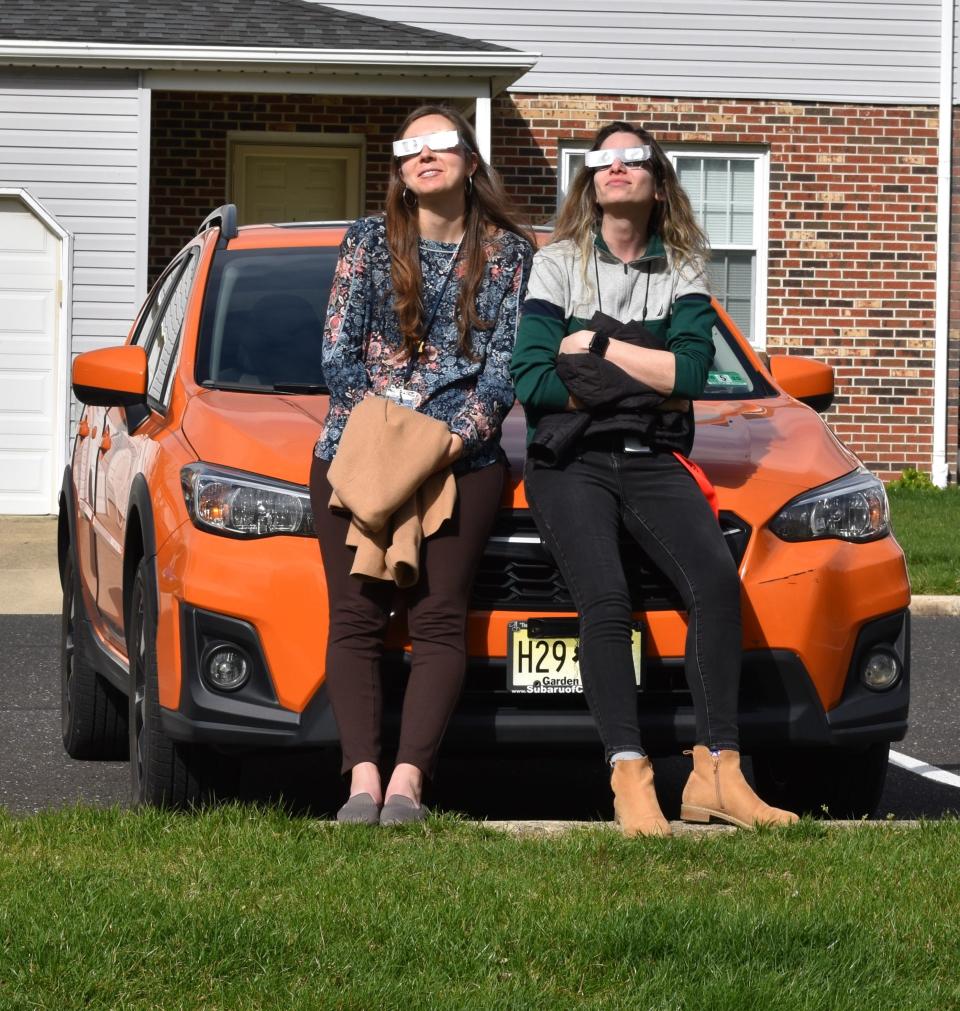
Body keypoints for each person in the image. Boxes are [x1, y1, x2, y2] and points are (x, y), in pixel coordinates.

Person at [511, 122, 798, 836]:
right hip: (570, 459)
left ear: (657, 180)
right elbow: (533, 377)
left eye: (632, 158)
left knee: (713, 583)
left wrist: (600, 345)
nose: (616, 168)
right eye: (603, 159)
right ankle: (631, 774)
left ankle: (717, 774)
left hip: (651, 458)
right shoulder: (555, 264)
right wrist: (648, 374)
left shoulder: (684, 270)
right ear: (589, 180)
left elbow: (696, 374)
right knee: (604, 596)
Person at [311, 105, 534, 826]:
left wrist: (441, 444)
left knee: (439, 619)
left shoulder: (509, 256)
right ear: (402, 172)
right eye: (411, 147)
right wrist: (394, 441)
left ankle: (408, 783)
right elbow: (338, 359)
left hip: (459, 459)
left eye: (441, 143)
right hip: (360, 453)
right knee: (355, 615)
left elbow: (503, 377)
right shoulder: (368, 243)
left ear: (470, 161)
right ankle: (362, 781)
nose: (424, 154)